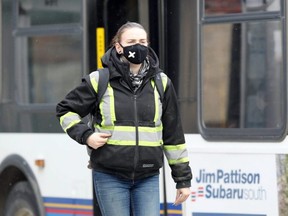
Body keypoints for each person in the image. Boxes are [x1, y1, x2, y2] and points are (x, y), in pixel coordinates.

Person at [56, 21, 192, 216]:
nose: (138, 45)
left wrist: (183, 180)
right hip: (110, 175)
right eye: (131, 41)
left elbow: (174, 135)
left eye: (142, 41)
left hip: (148, 175)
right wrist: (86, 136)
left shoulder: (162, 83)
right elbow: (65, 110)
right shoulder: (99, 80)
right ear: (118, 46)